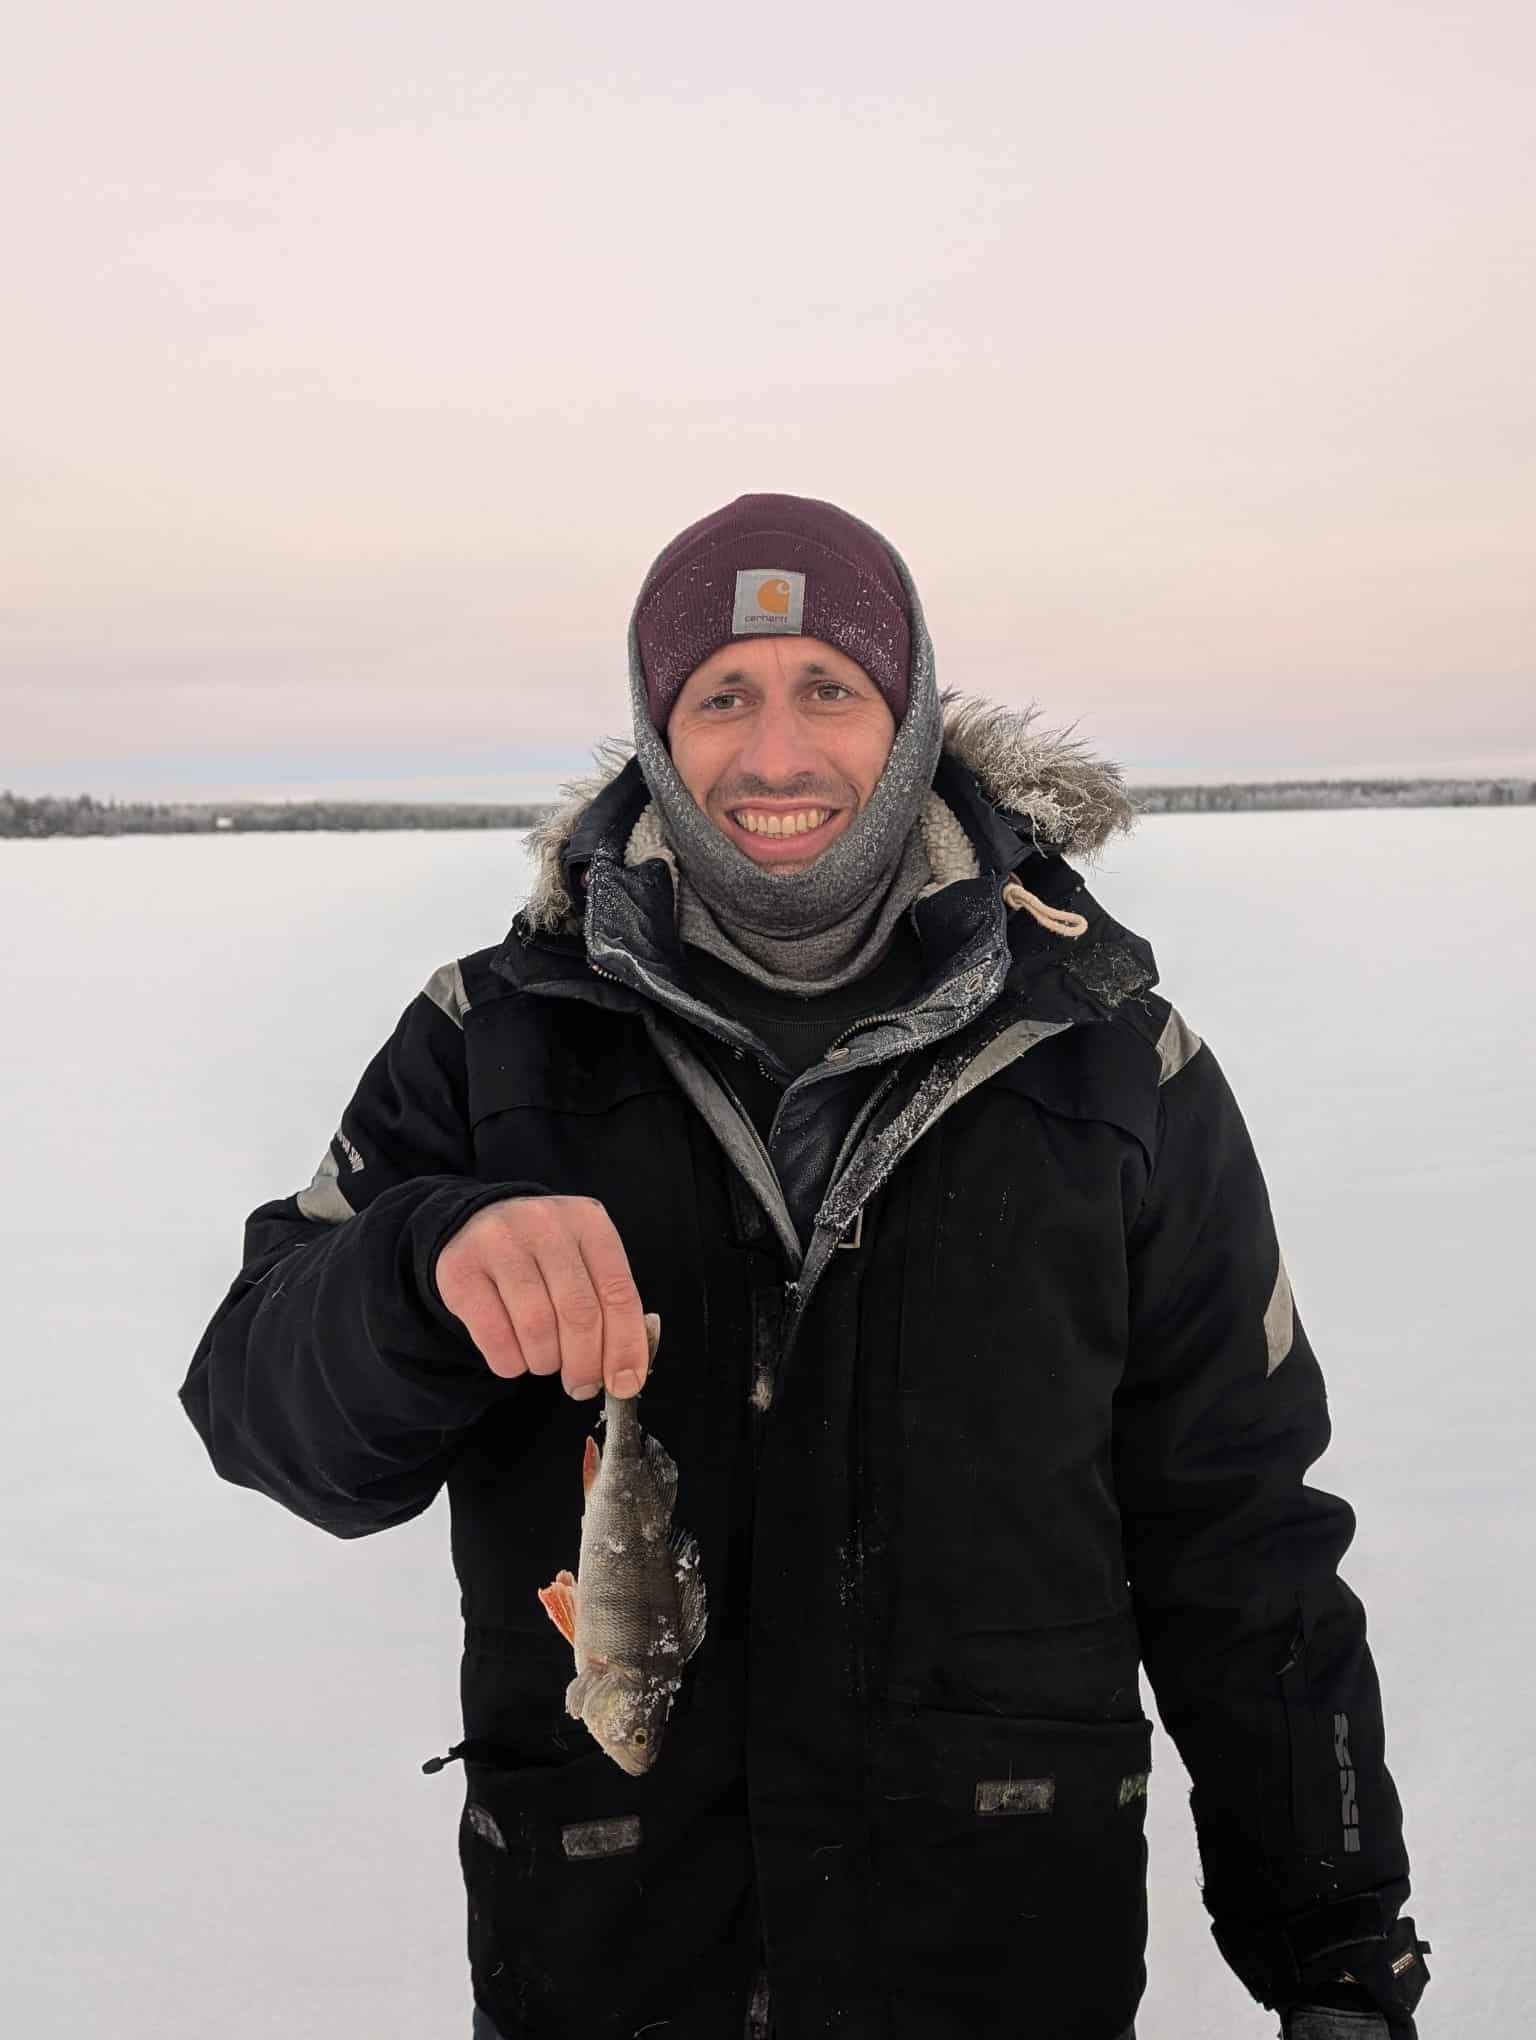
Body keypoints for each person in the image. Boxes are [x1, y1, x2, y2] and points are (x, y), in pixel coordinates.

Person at [179, 494, 1431, 2040]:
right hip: (610, 1955)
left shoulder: (1115, 1064)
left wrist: (1339, 1948)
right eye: (722, 698)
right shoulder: (489, 1042)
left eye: (829, 689)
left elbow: (1243, 1537)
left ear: (905, 719)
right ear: (655, 729)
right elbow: (256, 1407)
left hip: (1000, 1959)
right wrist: (414, 1271)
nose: (775, 759)